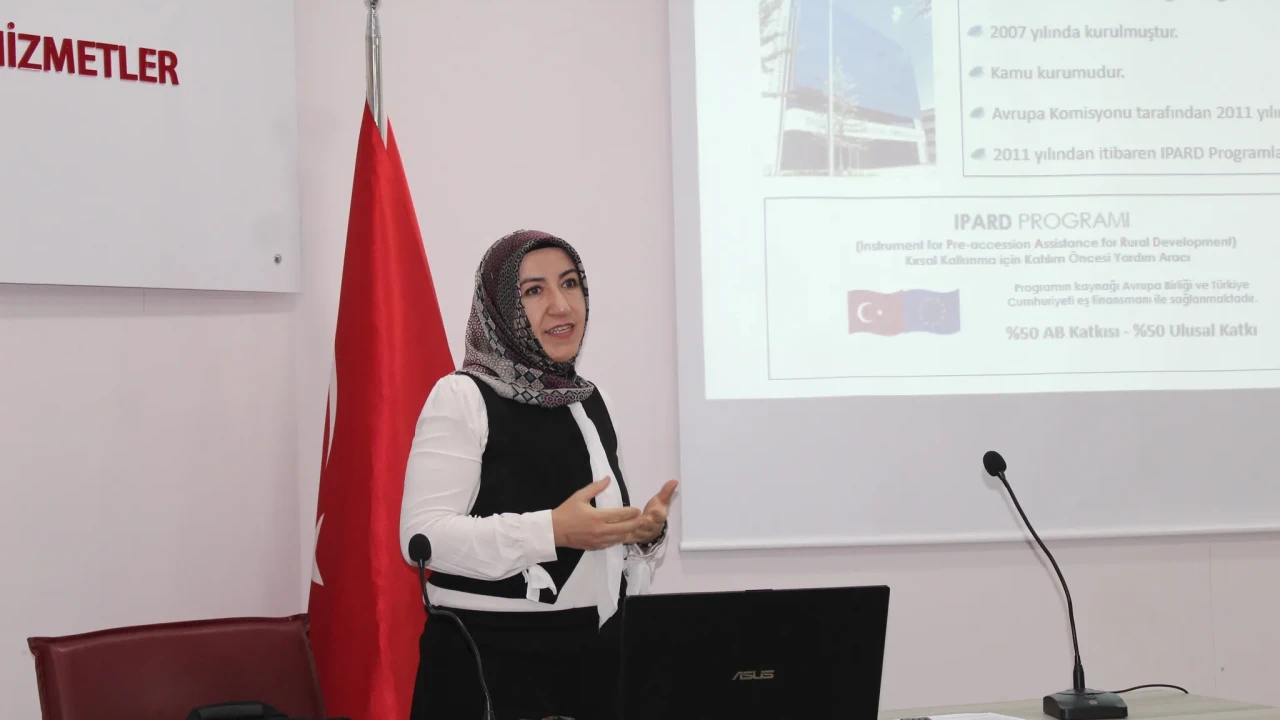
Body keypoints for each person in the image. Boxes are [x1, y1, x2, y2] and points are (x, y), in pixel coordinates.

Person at [400, 229, 677, 720]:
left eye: (570, 284)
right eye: (534, 290)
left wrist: (638, 535)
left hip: (593, 660)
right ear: (500, 309)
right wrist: (551, 531)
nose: (561, 305)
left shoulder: (589, 400)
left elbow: (593, 542)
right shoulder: (462, 397)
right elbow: (423, 538)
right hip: (488, 663)